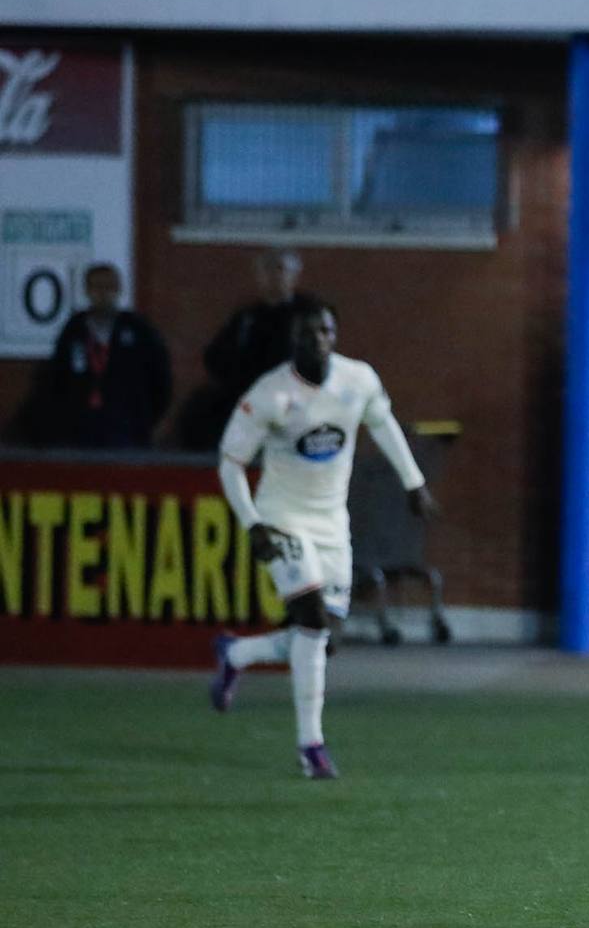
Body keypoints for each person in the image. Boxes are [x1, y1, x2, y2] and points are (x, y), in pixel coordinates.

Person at [206, 303, 436, 779]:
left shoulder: (358, 380)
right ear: (295, 341)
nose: (319, 340)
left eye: (326, 330)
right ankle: (311, 745)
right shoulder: (270, 394)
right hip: (282, 518)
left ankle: (237, 653)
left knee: (323, 639)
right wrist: (252, 523)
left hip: (332, 524)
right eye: (309, 334)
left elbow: (383, 424)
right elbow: (230, 462)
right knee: (310, 617)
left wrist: (413, 483)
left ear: (336, 334)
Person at [25, 263, 172, 449]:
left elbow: (160, 379)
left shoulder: (138, 330)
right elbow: (57, 378)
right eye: (97, 287)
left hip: (126, 428)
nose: (103, 293)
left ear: (119, 289)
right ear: (87, 290)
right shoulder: (75, 330)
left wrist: (145, 419)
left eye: (109, 287)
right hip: (80, 428)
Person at [188, 248, 320, 446]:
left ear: (294, 276)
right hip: (249, 404)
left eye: (280, 269)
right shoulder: (247, 317)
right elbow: (216, 356)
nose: (273, 276)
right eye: (266, 270)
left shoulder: (306, 315)